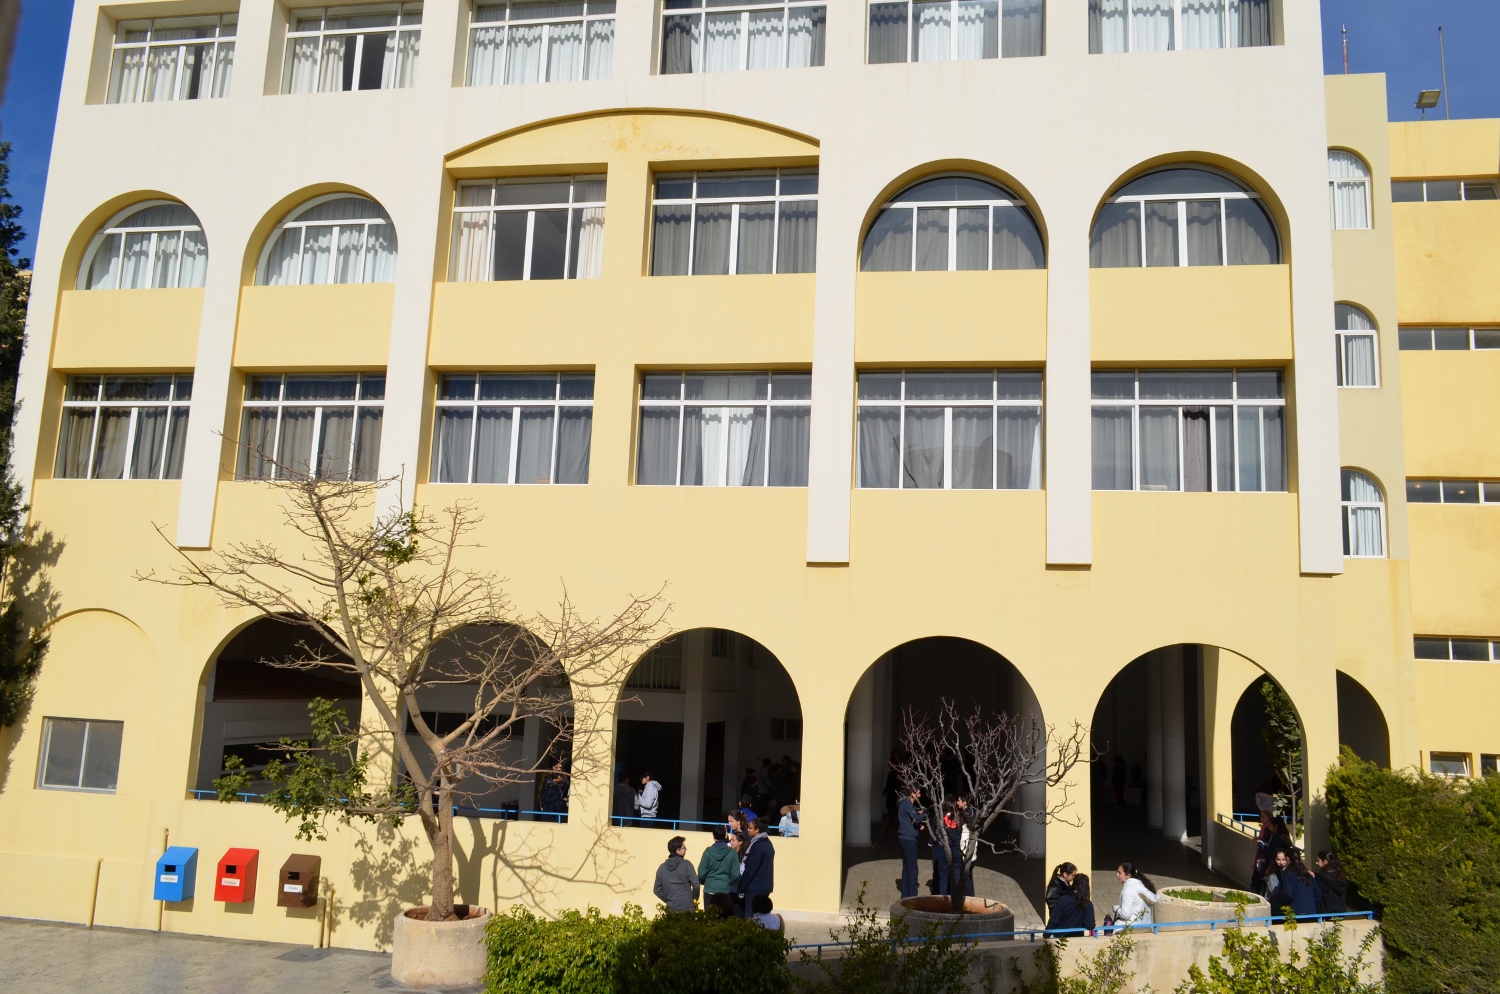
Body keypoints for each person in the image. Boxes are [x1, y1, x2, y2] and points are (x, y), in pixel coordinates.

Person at [698, 826, 740, 916]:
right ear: (726, 835)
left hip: (710, 889)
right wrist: (727, 882)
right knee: (724, 919)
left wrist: (706, 882)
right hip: (725, 890)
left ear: (713, 836)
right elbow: (736, 875)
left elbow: (701, 874)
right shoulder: (732, 853)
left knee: (710, 919)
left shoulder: (707, 852)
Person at [737, 818, 776, 917]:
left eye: (750, 828)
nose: (748, 830)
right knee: (762, 916)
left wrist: (741, 887)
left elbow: (751, 869)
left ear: (757, 829)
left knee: (751, 916)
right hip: (765, 887)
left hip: (755, 888)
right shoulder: (768, 843)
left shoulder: (758, 845)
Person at [653, 836, 700, 913]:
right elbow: (696, 884)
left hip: (671, 907)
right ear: (678, 850)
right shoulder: (687, 865)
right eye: (684, 848)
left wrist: (668, 899)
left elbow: (657, 890)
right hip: (688, 907)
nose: (686, 850)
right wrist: (694, 898)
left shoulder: (662, 868)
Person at [1273, 849, 1322, 918]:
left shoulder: (1287, 873)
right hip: (1311, 912)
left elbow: (1288, 895)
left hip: (1296, 913)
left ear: (1288, 858)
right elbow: (1318, 894)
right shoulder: (1306, 873)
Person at [896, 787, 924, 899]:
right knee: (912, 869)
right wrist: (922, 814)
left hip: (904, 837)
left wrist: (918, 824)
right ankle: (912, 896)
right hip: (908, 839)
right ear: (912, 794)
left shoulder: (905, 804)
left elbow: (911, 819)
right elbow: (916, 818)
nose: (920, 795)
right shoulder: (907, 804)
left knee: (906, 867)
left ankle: (905, 894)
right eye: (918, 793)